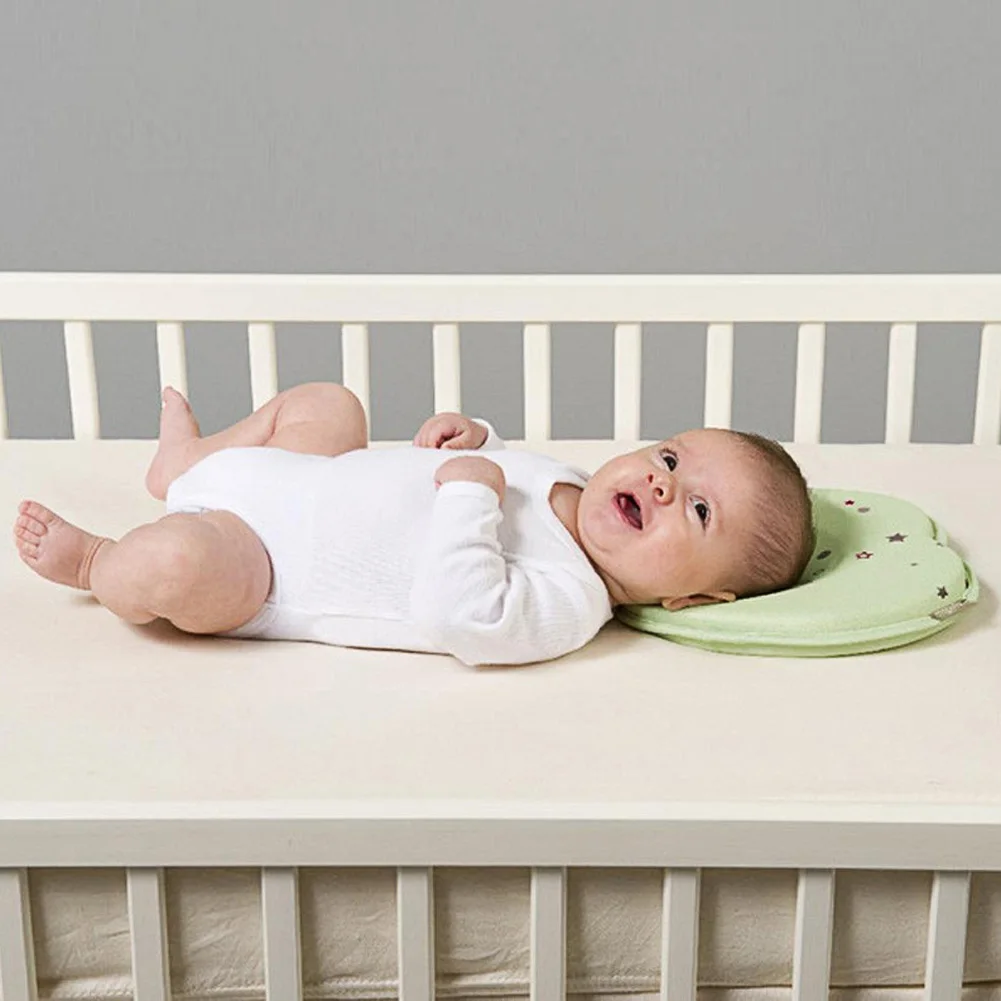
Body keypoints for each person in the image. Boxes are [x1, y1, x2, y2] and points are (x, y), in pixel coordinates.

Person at [12, 382, 815, 666]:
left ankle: (96, 563)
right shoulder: (574, 482)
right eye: (669, 457)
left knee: (173, 562)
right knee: (331, 404)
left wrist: (469, 493)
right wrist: (475, 440)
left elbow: (458, 614)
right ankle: (184, 466)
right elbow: (509, 473)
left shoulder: (572, 599)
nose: (661, 483)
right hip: (301, 476)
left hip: (264, 563)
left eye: (698, 509)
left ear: (691, 599)